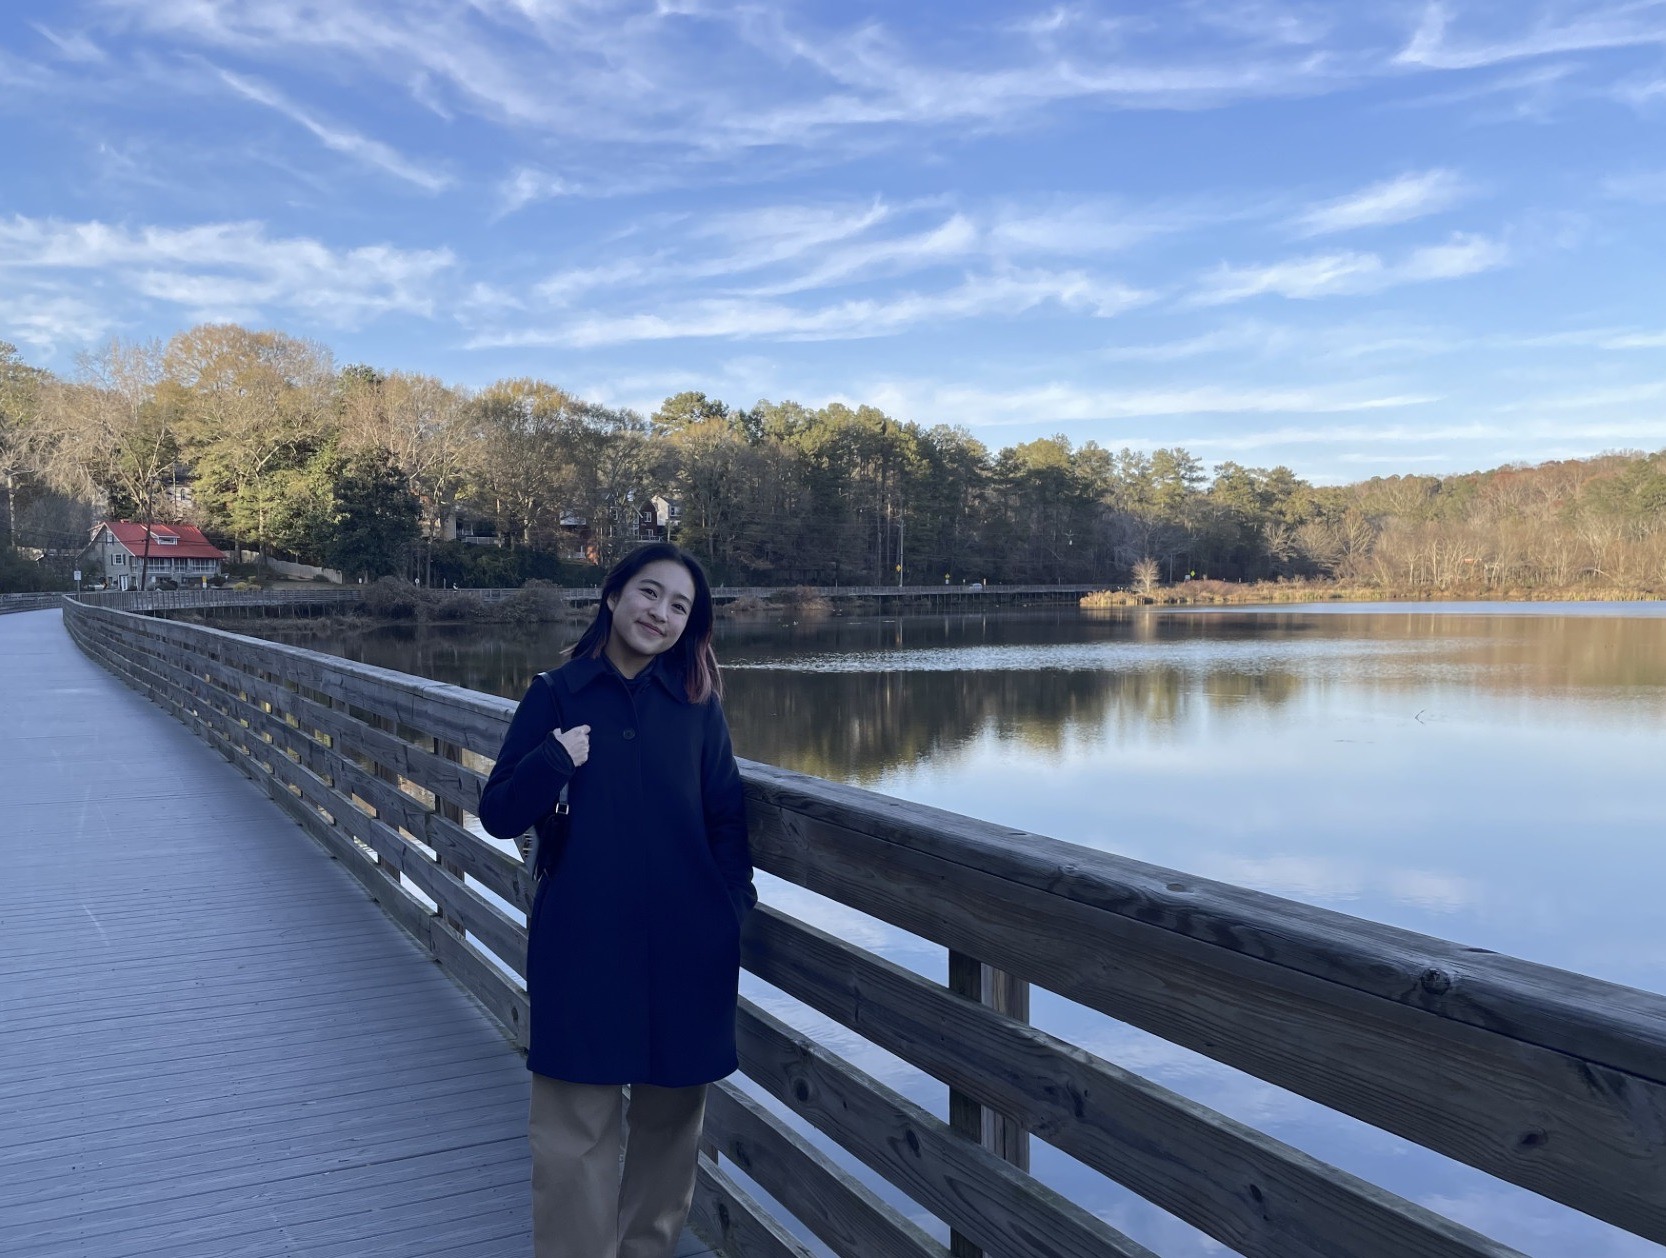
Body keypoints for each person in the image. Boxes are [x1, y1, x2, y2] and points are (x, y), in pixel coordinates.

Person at [478, 543, 756, 1258]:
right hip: (583, 944)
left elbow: (727, 817)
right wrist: (552, 759)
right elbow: (500, 811)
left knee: (670, 1130)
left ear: (689, 624)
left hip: (686, 947)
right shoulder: (557, 693)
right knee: (573, 1136)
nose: (659, 613)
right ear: (613, 595)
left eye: (678, 606)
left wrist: (729, 913)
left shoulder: (697, 707)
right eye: (649, 593)